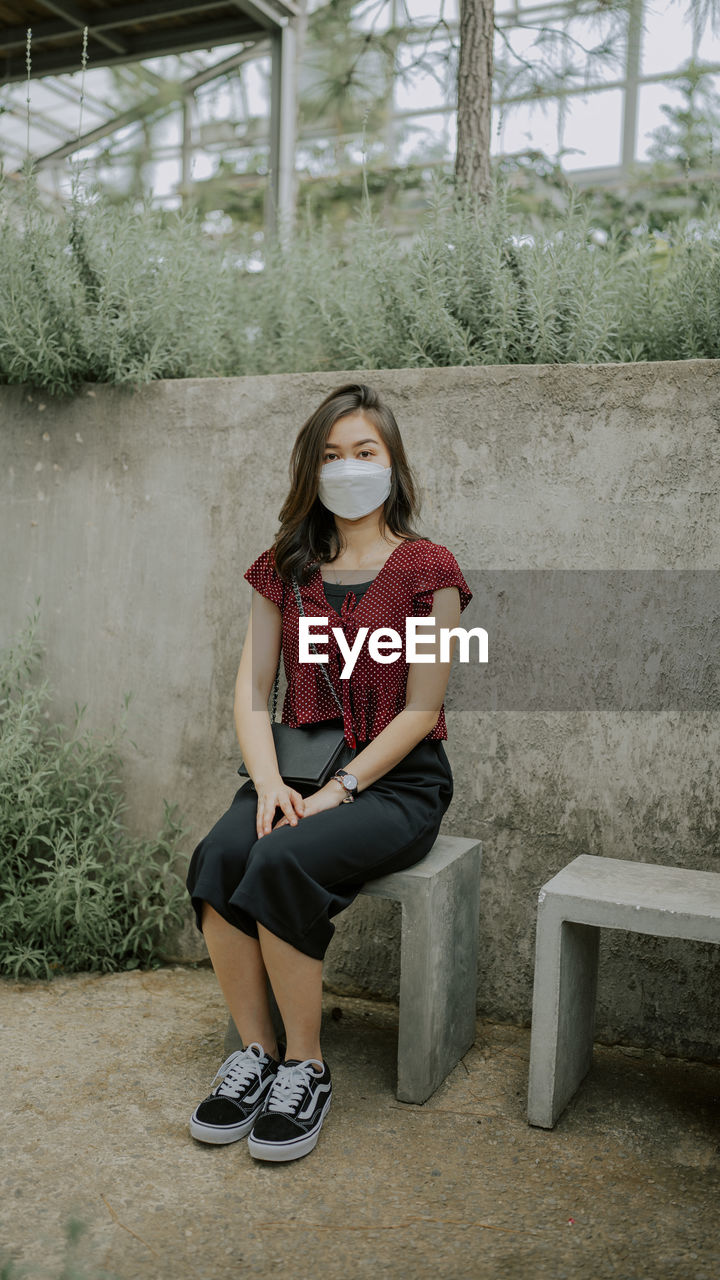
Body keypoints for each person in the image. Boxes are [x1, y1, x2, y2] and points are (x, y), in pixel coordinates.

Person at [185, 381, 472, 1162]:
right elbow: (250, 690)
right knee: (221, 853)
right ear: (312, 471)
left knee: (279, 857)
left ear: (392, 464)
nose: (349, 468)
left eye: (365, 452)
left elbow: (420, 710)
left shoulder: (428, 569)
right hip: (299, 765)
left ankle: (306, 1067)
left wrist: (345, 788)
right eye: (332, 455)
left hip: (396, 779)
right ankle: (255, 1054)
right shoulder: (283, 566)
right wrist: (273, 783)